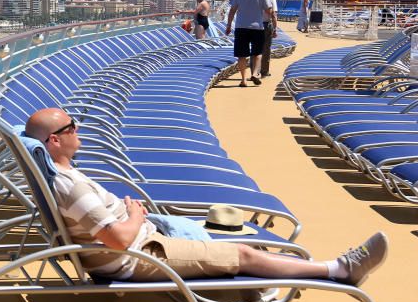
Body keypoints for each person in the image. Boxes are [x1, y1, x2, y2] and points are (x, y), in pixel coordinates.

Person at [24, 107, 389, 285]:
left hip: (142, 242)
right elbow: (117, 241)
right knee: (243, 252)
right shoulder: (71, 186)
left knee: (226, 239)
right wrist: (134, 215)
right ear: (54, 140)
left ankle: (264, 277)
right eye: (72, 126)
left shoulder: (64, 174)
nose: (79, 129)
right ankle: (339, 270)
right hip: (138, 256)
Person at [225, 0, 273, 87]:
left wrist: (228, 26)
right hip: (257, 28)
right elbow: (269, 12)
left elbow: (232, 11)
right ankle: (255, 74)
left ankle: (243, 80)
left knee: (241, 55)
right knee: (257, 53)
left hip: (241, 27)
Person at [258, 0, 279, 77]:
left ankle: (254, 71)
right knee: (266, 49)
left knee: (255, 49)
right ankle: (264, 71)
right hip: (266, 25)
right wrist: (275, 29)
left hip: (254, 25)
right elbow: (273, 14)